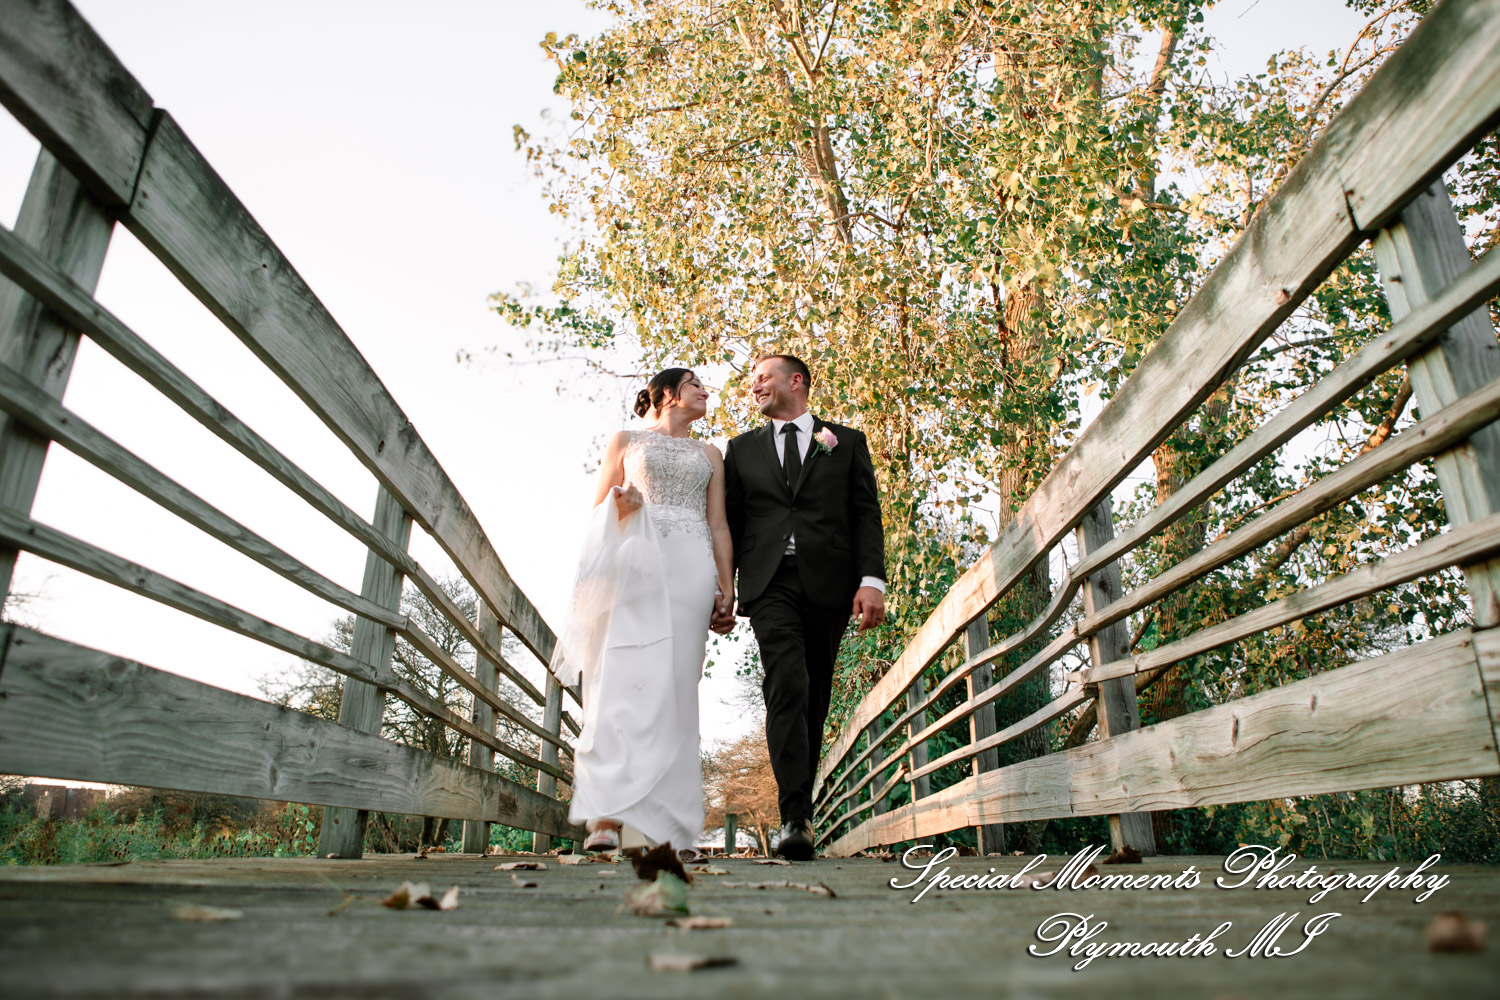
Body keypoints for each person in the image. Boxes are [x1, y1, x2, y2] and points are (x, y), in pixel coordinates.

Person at [550, 368, 734, 855]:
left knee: (677, 685)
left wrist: (726, 585)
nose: (705, 392)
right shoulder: (626, 441)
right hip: (636, 566)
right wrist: (624, 506)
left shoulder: (711, 454)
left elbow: (717, 524)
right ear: (669, 394)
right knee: (623, 676)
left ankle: (668, 825)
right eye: (696, 384)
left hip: (691, 566)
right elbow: (597, 512)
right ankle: (605, 818)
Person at [714, 355, 886, 860]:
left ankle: (802, 812)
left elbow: (865, 516)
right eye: (752, 382)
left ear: (797, 382)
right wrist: (720, 589)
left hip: (830, 583)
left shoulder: (845, 441)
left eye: (763, 377)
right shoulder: (740, 450)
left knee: (814, 694)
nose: (755, 386)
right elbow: (729, 523)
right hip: (768, 583)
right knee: (786, 682)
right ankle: (794, 818)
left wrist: (871, 581)